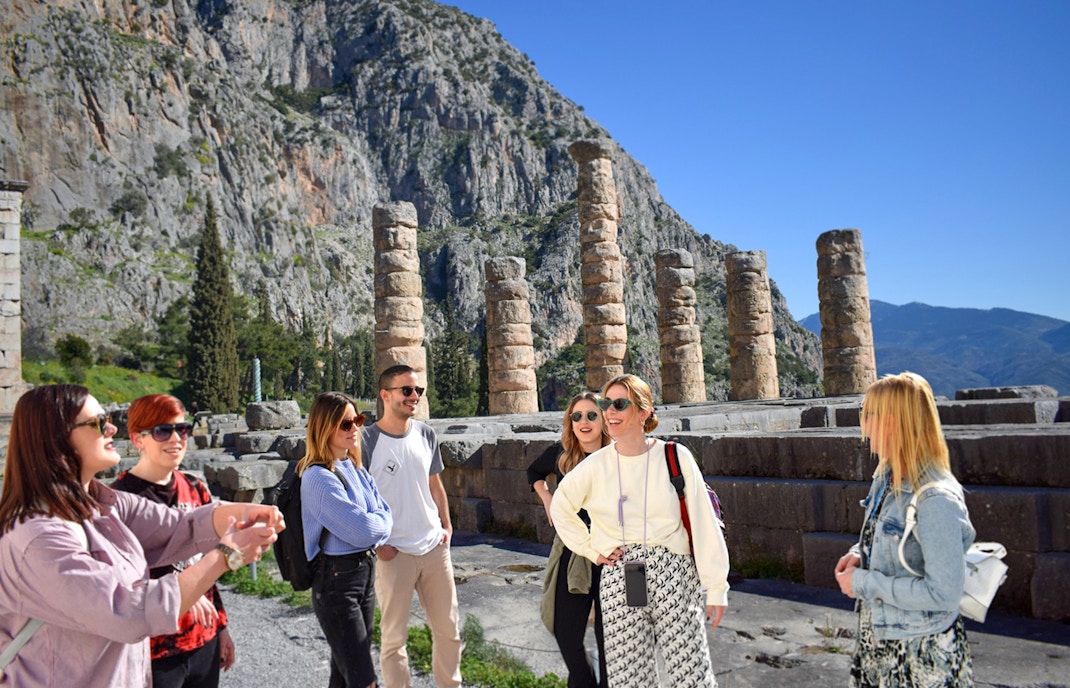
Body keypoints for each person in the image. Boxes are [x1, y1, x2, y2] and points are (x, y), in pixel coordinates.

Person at [0, 384, 283, 688]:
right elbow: (128, 612)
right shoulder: (38, 539)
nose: (111, 429)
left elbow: (180, 525)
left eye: (108, 419)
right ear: (56, 438)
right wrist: (227, 555)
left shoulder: (103, 504)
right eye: (97, 423)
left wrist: (244, 512)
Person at [551, 374, 730, 688]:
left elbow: (703, 522)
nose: (609, 412)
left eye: (619, 404)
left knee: (692, 676)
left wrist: (716, 586)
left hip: (673, 572)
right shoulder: (595, 465)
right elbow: (560, 507)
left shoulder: (675, 456)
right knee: (628, 680)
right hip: (619, 575)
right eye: (605, 403)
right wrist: (591, 549)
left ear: (644, 412)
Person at [834, 372, 975, 687]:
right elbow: (885, 538)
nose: (863, 424)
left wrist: (862, 583)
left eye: (869, 414)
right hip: (879, 641)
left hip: (919, 655)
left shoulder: (936, 500)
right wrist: (859, 554)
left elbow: (944, 594)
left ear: (892, 422)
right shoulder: (886, 475)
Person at [110, 394, 235, 688]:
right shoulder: (120, 500)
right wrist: (180, 592)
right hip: (155, 650)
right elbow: (120, 583)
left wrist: (222, 627)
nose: (176, 438)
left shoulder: (195, 487)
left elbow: (207, 566)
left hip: (203, 638)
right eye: (162, 431)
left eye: (182, 429)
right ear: (137, 439)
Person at [362, 365, 462, 688]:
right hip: (394, 554)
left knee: (449, 632)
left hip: (434, 548)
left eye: (418, 390)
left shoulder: (426, 434)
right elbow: (358, 497)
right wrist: (377, 544)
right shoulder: (366, 440)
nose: (414, 396)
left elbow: (434, 484)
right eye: (406, 390)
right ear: (385, 395)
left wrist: (447, 527)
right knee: (394, 640)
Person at [298, 391, 393, 688]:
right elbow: (366, 530)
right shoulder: (318, 478)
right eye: (345, 424)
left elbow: (384, 515)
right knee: (364, 678)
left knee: (344, 674)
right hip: (337, 583)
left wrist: (377, 523)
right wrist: (378, 524)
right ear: (324, 428)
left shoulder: (355, 468)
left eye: (358, 420)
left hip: (363, 575)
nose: (355, 428)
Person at [527, 391, 611, 688]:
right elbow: (534, 471)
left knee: (609, 638)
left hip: (612, 554)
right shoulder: (561, 454)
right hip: (573, 550)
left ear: (604, 419)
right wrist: (547, 497)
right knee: (565, 631)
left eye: (591, 415)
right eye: (577, 416)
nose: (584, 422)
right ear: (570, 422)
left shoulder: (619, 454)